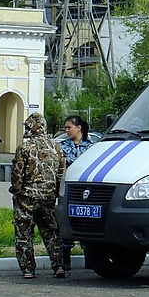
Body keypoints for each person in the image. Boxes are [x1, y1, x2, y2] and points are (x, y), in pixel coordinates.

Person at [9, 112, 66, 279]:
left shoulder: (25, 147)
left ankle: (28, 269)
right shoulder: (55, 147)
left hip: (27, 197)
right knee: (51, 231)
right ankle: (58, 265)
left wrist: (17, 190)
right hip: (48, 197)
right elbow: (61, 172)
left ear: (33, 127)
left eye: (28, 126)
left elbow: (17, 172)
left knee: (24, 233)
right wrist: (56, 193)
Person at [58, 115, 94, 271]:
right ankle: (65, 258)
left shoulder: (91, 147)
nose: (66, 130)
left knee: (87, 223)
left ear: (78, 128)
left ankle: (89, 258)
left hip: (86, 191)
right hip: (68, 189)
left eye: (69, 127)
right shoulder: (61, 147)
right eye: (65, 128)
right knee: (67, 222)